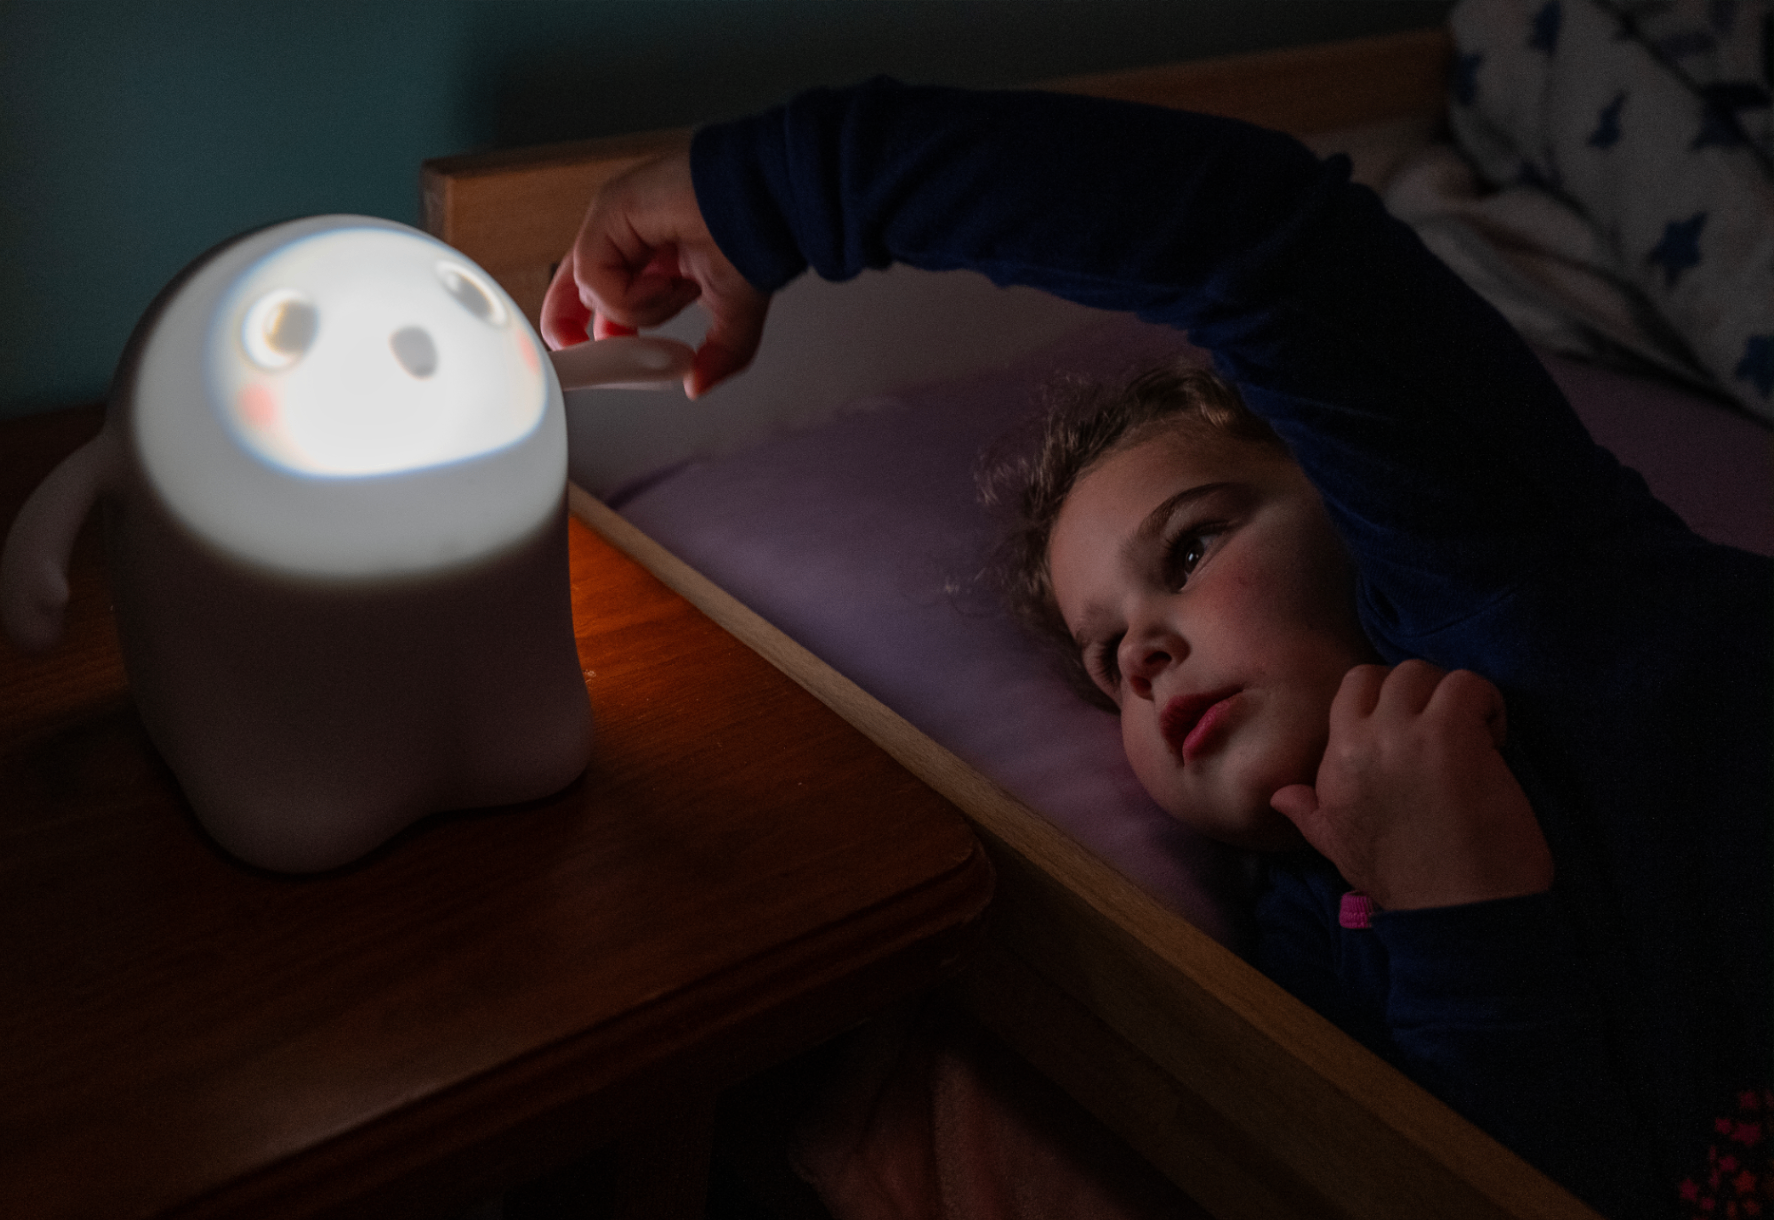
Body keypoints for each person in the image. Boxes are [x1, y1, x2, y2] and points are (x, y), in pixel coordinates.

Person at [540, 79, 1771, 1219]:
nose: (1139, 659)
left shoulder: (1518, 573)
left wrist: (769, 193)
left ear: (1353, 491)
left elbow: (1258, 244)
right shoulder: (1309, 946)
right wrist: (1462, 918)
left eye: (1187, 552)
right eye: (1103, 654)